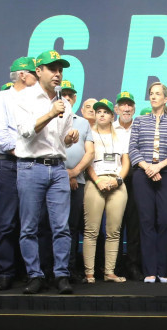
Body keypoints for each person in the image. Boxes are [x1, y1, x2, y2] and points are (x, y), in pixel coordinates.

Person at [12, 50, 81, 295]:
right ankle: (35, 275)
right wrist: (51, 113)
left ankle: (61, 275)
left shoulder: (66, 102)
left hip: (59, 168)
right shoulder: (24, 98)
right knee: (29, 227)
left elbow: (63, 139)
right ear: (38, 71)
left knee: (61, 227)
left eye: (60, 69)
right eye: (52, 68)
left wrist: (70, 138)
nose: (58, 73)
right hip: (31, 167)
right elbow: (25, 132)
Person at [0, 56, 39, 291]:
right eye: (35, 74)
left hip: (33, 164)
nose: (39, 78)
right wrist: (24, 150)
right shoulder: (1, 98)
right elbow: (1, 134)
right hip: (10, 163)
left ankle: (33, 272)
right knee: (7, 221)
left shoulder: (38, 99)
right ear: (22, 74)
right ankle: (5, 271)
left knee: (33, 222)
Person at [128, 82, 167, 282]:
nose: (153, 97)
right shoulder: (139, 121)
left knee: (164, 221)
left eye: (158, 94)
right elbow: (133, 149)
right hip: (142, 174)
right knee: (146, 222)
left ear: (165, 99)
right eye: (151, 94)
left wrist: (159, 167)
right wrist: (148, 167)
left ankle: (163, 270)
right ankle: (150, 271)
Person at [83, 98, 129, 283]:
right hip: (96, 182)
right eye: (98, 111)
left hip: (116, 183)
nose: (101, 114)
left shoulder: (121, 135)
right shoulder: (88, 134)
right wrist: (97, 181)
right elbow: (87, 162)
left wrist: (118, 180)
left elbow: (126, 163)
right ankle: (89, 274)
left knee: (114, 231)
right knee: (91, 230)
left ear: (112, 115)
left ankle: (109, 272)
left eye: (105, 112)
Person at [60, 82, 95, 281]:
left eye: (69, 95)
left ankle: (70, 269)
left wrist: (73, 173)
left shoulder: (82, 123)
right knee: (53, 226)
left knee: (72, 227)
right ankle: (53, 269)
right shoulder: (49, 119)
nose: (66, 98)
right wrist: (64, 173)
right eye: (62, 94)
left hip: (78, 180)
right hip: (54, 179)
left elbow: (89, 152)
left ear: (74, 99)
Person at [114, 90, 143, 280]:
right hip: (112, 179)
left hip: (134, 179)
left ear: (134, 108)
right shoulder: (108, 126)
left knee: (134, 225)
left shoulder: (139, 126)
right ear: (116, 108)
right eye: (123, 105)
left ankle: (133, 266)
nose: (126, 108)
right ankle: (113, 266)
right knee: (114, 226)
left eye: (129, 105)